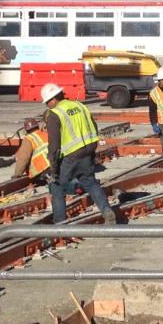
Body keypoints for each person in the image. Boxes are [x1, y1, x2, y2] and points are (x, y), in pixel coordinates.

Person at [42, 83, 117, 225]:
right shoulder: (80, 106)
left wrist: (53, 167)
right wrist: (92, 150)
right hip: (88, 150)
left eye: (47, 103)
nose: (47, 106)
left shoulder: (55, 114)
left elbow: (54, 144)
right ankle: (107, 211)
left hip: (71, 155)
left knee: (57, 186)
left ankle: (59, 223)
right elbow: (93, 126)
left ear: (52, 99)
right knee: (90, 182)